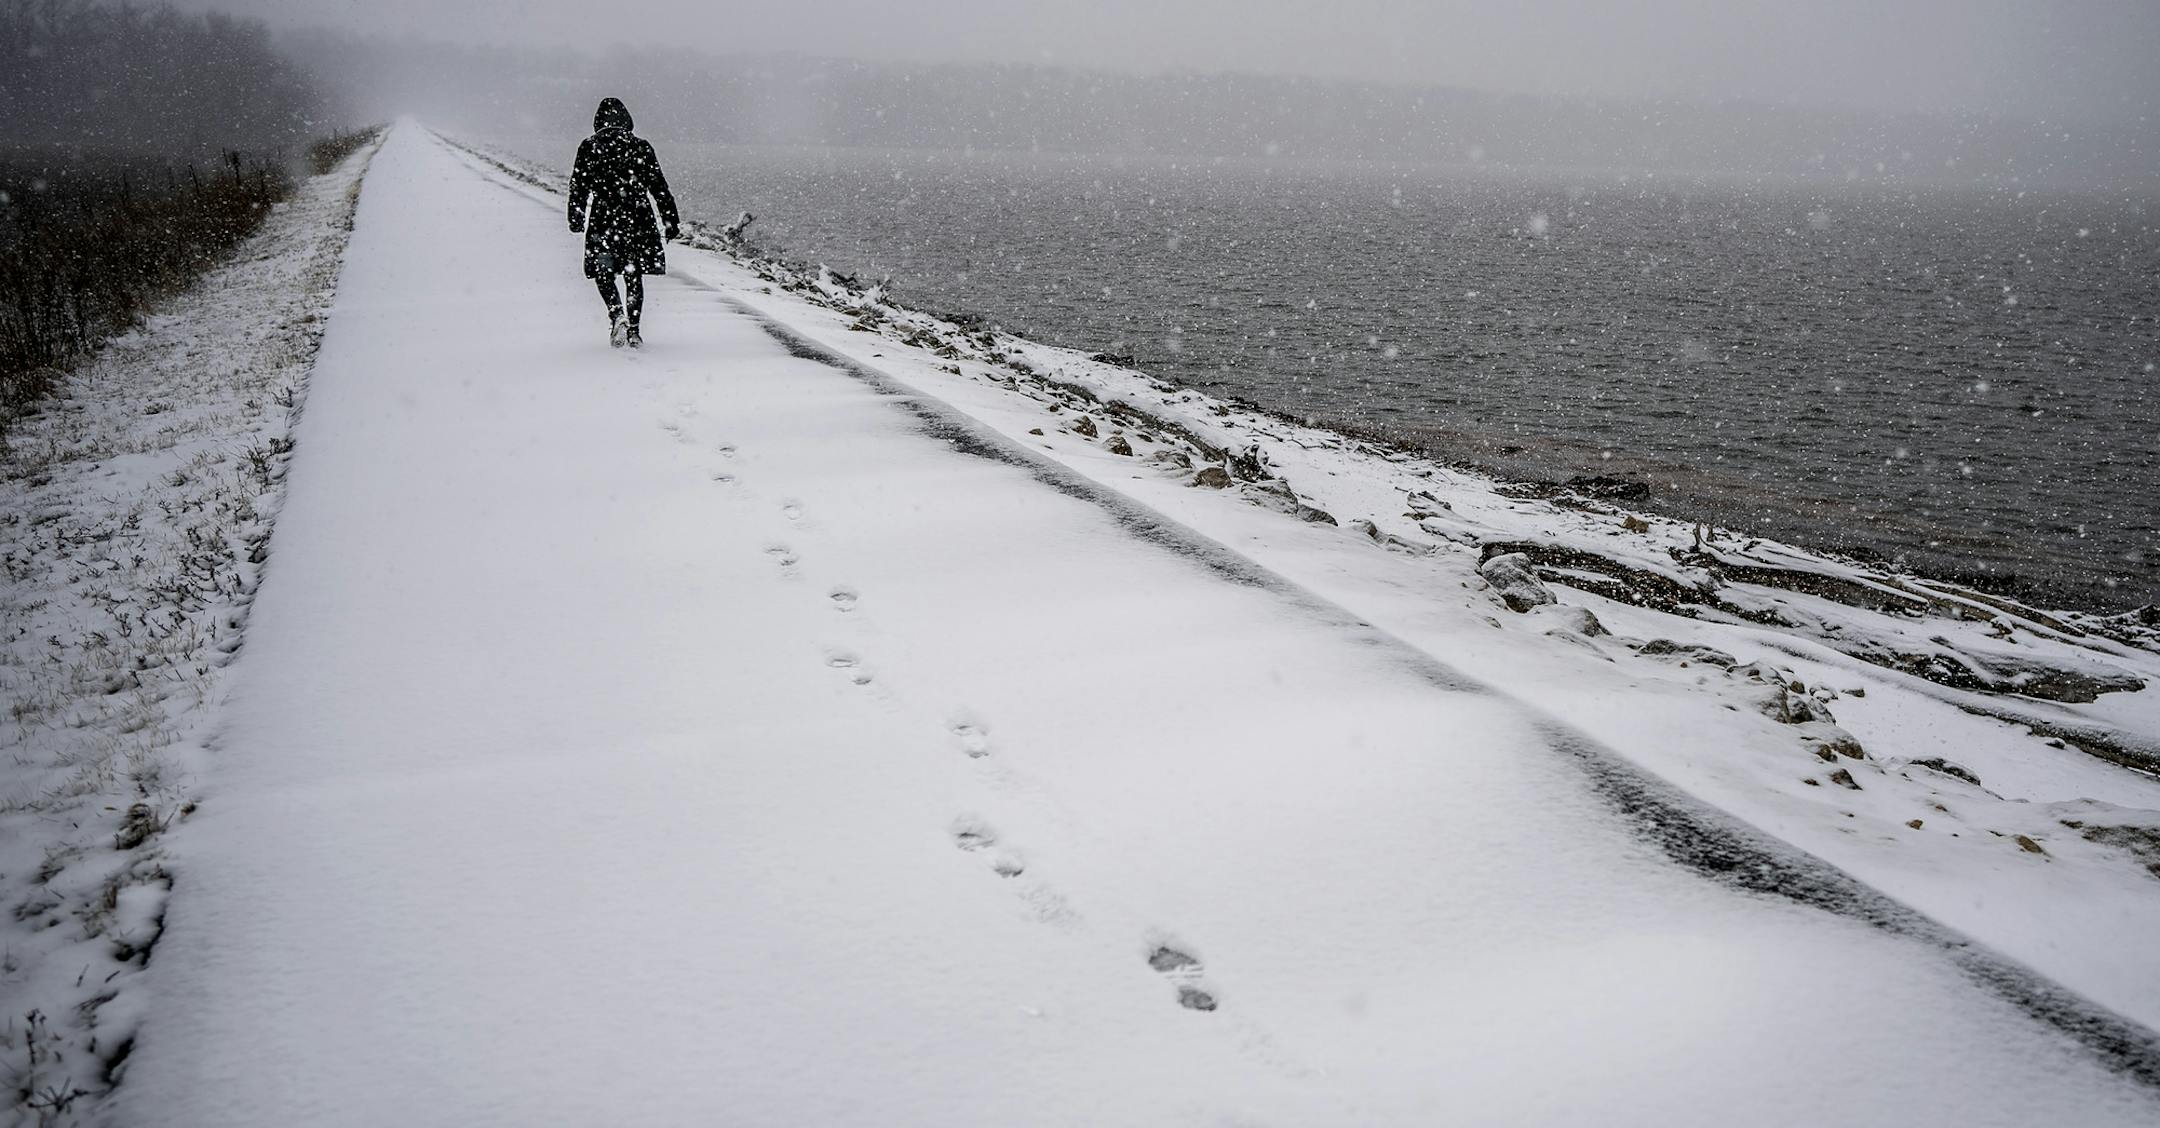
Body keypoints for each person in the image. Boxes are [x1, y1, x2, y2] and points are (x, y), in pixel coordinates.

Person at [568, 97, 680, 349]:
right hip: (637, 216)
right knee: (633, 273)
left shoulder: (589, 146)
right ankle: (635, 330)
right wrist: (670, 220)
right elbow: (659, 187)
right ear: (627, 120)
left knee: (603, 270)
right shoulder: (641, 146)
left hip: (603, 217)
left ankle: (616, 312)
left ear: (598, 121)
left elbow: (578, 186)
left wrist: (576, 217)